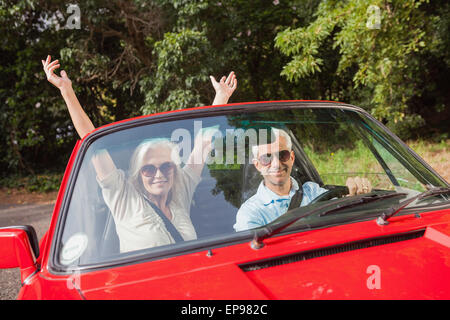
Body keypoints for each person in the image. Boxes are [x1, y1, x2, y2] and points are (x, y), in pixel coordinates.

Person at [42, 55, 237, 252]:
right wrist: (66, 90)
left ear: (174, 170)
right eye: (149, 169)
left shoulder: (180, 190)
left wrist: (221, 97)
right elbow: (91, 140)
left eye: (166, 166)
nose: (159, 174)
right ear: (138, 172)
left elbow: (203, 144)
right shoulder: (123, 197)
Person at [233, 128, 372, 232]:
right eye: (266, 158)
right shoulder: (251, 213)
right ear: (257, 165)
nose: (276, 164)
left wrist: (353, 197)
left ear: (292, 158)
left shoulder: (312, 191)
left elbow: (338, 213)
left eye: (283, 155)